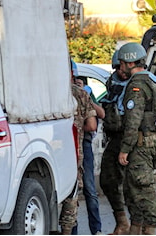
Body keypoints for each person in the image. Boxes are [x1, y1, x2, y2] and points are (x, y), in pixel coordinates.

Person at [117, 42, 156, 235]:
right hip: (149, 141)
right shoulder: (153, 80)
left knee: (143, 191)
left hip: (139, 145)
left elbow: (133, 120)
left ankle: (148, 231)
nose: (121, 66)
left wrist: (125, 148)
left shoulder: (137, 86)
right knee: (132, 190)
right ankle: (136, 230)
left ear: (129, 63)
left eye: (122, 63)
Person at [59, 60, 98, 235]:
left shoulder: (48, 94)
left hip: (49, 152)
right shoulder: (80, 94)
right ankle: (70, 232)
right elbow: (92, 125)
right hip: (74, 153)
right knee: (72, 196)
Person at [98, 50, 131, 235]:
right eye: (117, 67)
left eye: (123, 66)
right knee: (107, 180)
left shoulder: (142, 82)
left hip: (132, 137)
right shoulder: (113, 82)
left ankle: (138, 226)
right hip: (115, 137)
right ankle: (122, 222)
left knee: (133, 184)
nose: (121, 71)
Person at [74, 75, 105, 235]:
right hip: (78, 145)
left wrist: (87, 98)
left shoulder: (85, 96)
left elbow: (100, 115)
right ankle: (94, 229)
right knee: (85, 189)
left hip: (79, 144)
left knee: (84, 190)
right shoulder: (75, 95)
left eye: (80, 83)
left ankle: (94, 228)